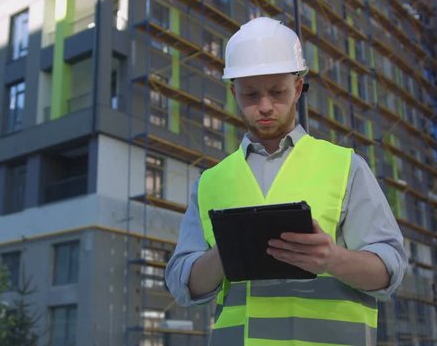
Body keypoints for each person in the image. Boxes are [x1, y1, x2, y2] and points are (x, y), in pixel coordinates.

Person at [165, 17, 407, 345]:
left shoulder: (345, 167)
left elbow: (389, 270)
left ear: (297, 87)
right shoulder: (211, 182)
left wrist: (333, 259)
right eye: (251, 95)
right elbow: (184, 284)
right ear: (234, 92)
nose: (265, 106)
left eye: (277, 92)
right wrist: (228, 250)